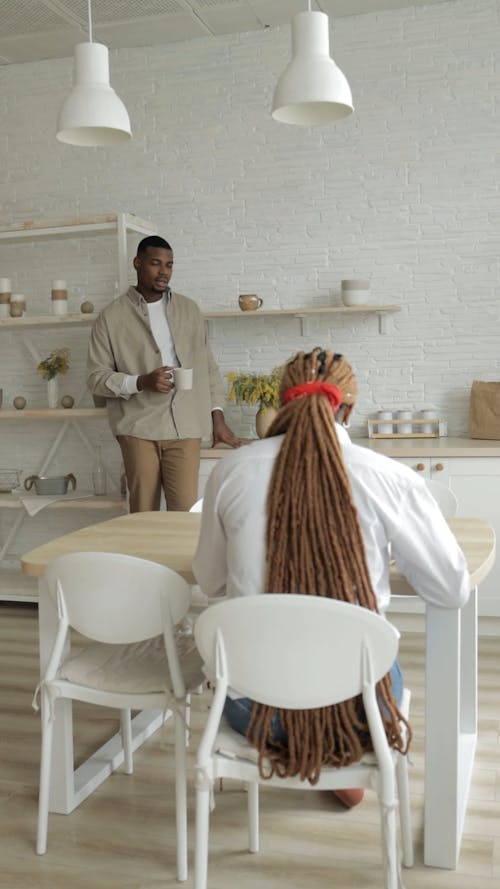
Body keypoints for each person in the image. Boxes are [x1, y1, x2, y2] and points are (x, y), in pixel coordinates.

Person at [193, 347, 469, 808]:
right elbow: (451, 588)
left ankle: (310, 753)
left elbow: (210, 581)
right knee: (366, 659)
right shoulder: (389, 477)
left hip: (257, 710)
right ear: (349, 407)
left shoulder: (231, 471)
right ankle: (337, 753)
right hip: (363, 712)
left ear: (281, 404)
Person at [87, 235, 240, 512]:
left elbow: (208, 367)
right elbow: (96, 378)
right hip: (138, 427)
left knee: (185, 515)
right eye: (156, 263)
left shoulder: (190, 310)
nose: (164, 272)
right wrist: (142, 381)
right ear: (138, 263)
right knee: (143, 515)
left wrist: (217, 416)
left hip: (186, 427)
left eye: (169, 265)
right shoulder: (111, 317)